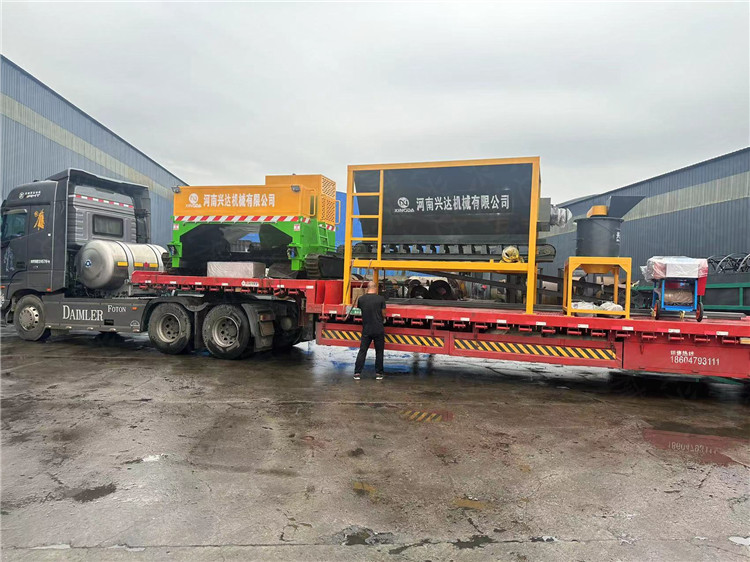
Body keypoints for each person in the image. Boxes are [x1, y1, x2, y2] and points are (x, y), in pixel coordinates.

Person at [353, 281, 386, 380]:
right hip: (378, 329)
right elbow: (384, 313)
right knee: (379, 352)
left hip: (366, 329)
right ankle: (379, 373)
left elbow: (359, 309)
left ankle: (357, 373)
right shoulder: (381, 299)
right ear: (375, 288)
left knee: (362, 351)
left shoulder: (361, 299)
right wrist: (383, 318)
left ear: (367, 288)